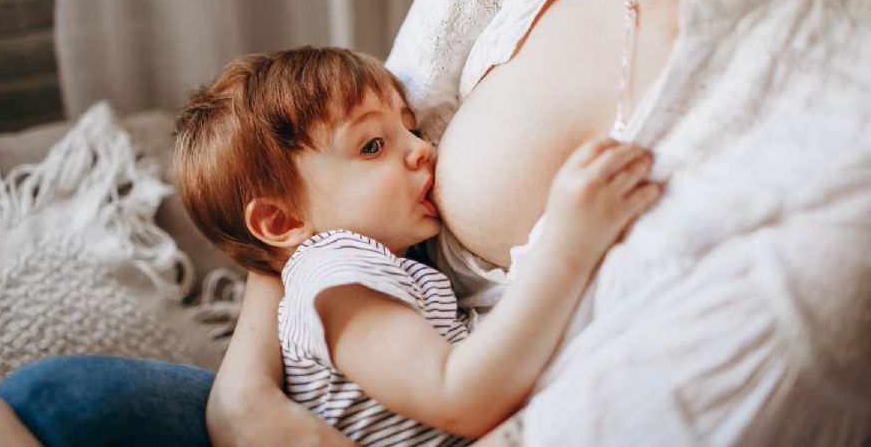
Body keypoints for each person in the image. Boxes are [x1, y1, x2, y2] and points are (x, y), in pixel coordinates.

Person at [0, 0, 871, 445]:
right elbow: (444, 370)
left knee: (62, 402)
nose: (422, 145)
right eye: (383, 148)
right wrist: (243, 394)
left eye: (400, 135)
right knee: (64, 399)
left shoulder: (833, 123)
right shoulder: (344, 275)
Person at [169, 46, 658, 445]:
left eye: (410, 127)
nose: (422, 148)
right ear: (280, 220)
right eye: (373, 146)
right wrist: (568, 245)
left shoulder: (370, 267)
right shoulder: (336, 272)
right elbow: (458, 396)